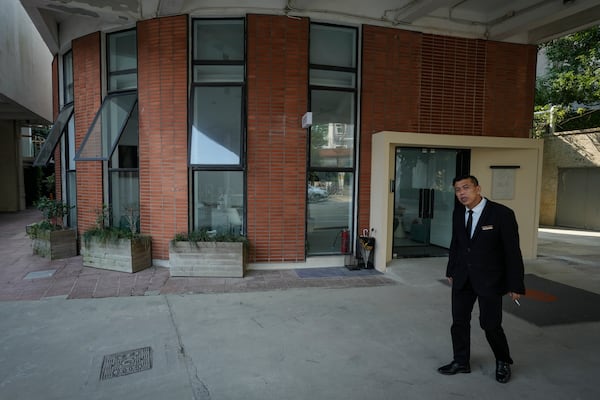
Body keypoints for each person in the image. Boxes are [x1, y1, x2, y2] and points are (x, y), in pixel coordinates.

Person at [438, 174, 525, 383]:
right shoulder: (459, 213)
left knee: (490, 324)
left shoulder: (501, 214)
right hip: (462, 278)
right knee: (459, 322)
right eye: (457, 190)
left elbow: (512, 253)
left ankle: (503, 361)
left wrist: (515, 284)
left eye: (466, 188)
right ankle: (461, 362)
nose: (461, 193)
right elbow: (456, 244)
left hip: (490, 280)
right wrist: (451, 270)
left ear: (478, 188)